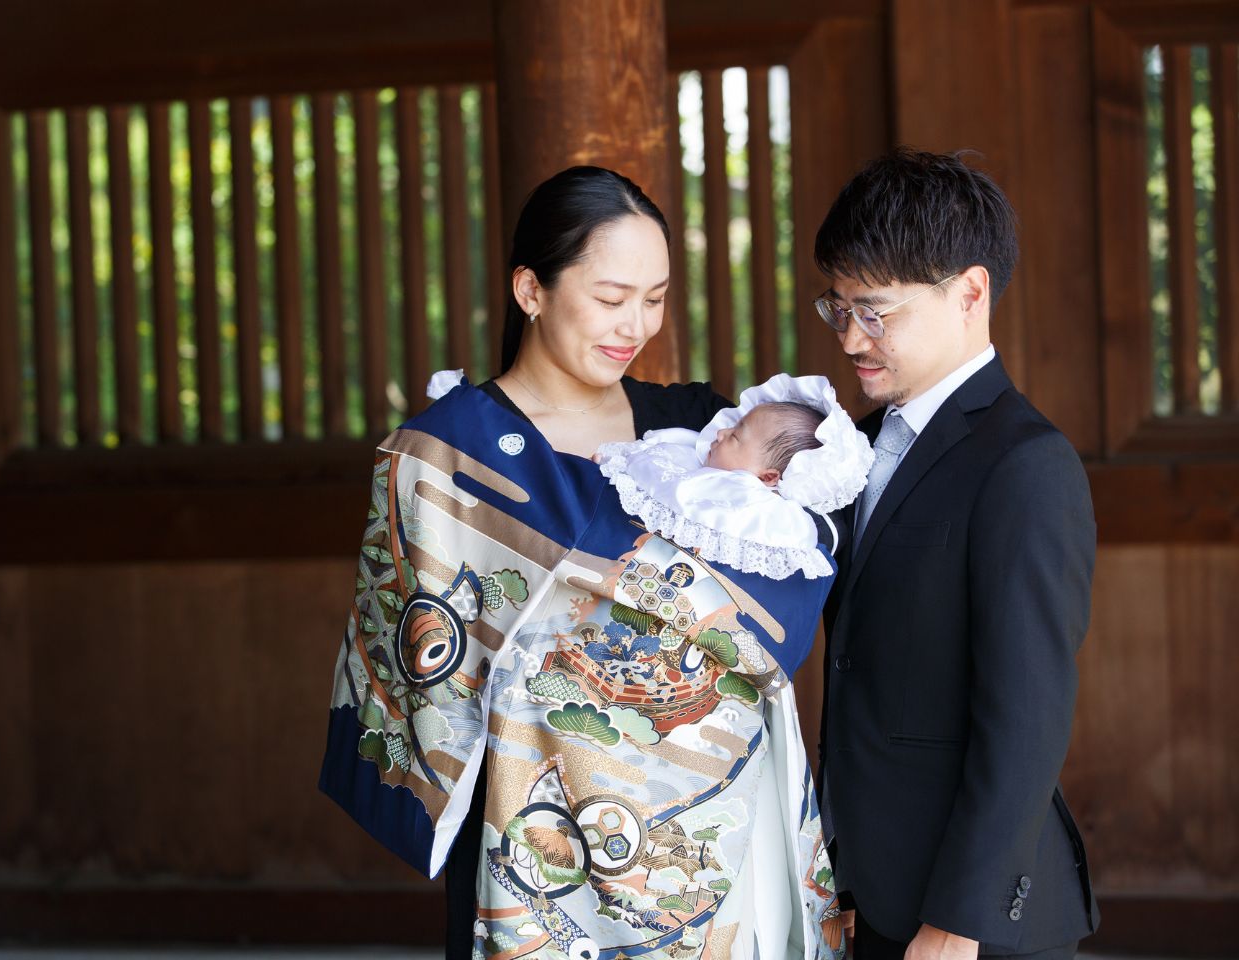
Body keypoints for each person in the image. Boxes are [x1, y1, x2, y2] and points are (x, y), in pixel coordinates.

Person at [319, 166, 846, 959]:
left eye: (655, 297)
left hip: (702, 843)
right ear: (530, 290)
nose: (634, 324)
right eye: (610, 298)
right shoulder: (443, 455)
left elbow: (785, 602)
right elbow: (416, 661)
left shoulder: (698, 430)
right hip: (530, 849)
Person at [813, 149, 1099, 960]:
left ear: (970, 293)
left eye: (877, 311)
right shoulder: (854, 448)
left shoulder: (1025, 463)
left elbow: (1027, 716)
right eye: (837, 309)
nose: (852, 339)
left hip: (968, 916)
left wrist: (959, 919)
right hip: (863, 886)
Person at [593, 373, 873, 582]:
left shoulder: (753, 501)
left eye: (735, 435)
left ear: (767, 477)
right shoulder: (695, 452)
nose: (720, 433)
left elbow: (679, 492)